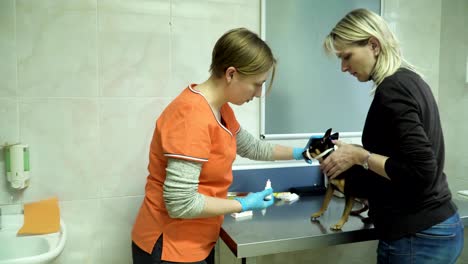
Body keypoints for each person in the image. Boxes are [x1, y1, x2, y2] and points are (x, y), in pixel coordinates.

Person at [131, 27, 308, 264]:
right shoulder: (191, 116)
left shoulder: (220, 108)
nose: (258, 94)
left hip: (197, 241)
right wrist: (242, 203)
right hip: (170, 246)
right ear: (231, 74)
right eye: (256, 84)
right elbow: (180, 203)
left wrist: (303, 152)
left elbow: (253, 148)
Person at [319, 8, 463, 264]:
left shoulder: (393, 89)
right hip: (432, 226)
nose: (343, 67)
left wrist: (361, 156)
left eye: (347, 56)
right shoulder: (410, 81)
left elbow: (421, 171)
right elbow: (398, 167)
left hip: (416, 235)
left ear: (373, 45)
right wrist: (351, 161)